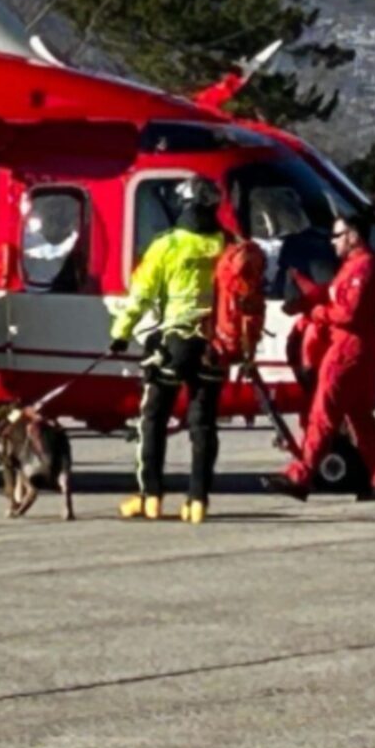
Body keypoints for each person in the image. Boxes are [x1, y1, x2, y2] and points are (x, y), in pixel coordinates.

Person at [110, 176, 226, 524]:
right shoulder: (226, 244)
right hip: (215, 345)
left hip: (175, 342)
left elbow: (140, 295)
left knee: (153, 419)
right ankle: (197, 500)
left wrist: (120, 333)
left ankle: (151, 497)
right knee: (203, 424)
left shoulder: (167, 245)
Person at [263, 211, 375, 502]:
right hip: (362, 349)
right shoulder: (353, 267)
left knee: (323, 413)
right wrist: (302, 289)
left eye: (337, 235)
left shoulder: (362, 267)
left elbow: (347, 312)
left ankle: (300, 475)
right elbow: (331, 295)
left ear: (353, 236)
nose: (332, 241)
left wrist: (316, 313)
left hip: (348, 349)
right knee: (360, 416)